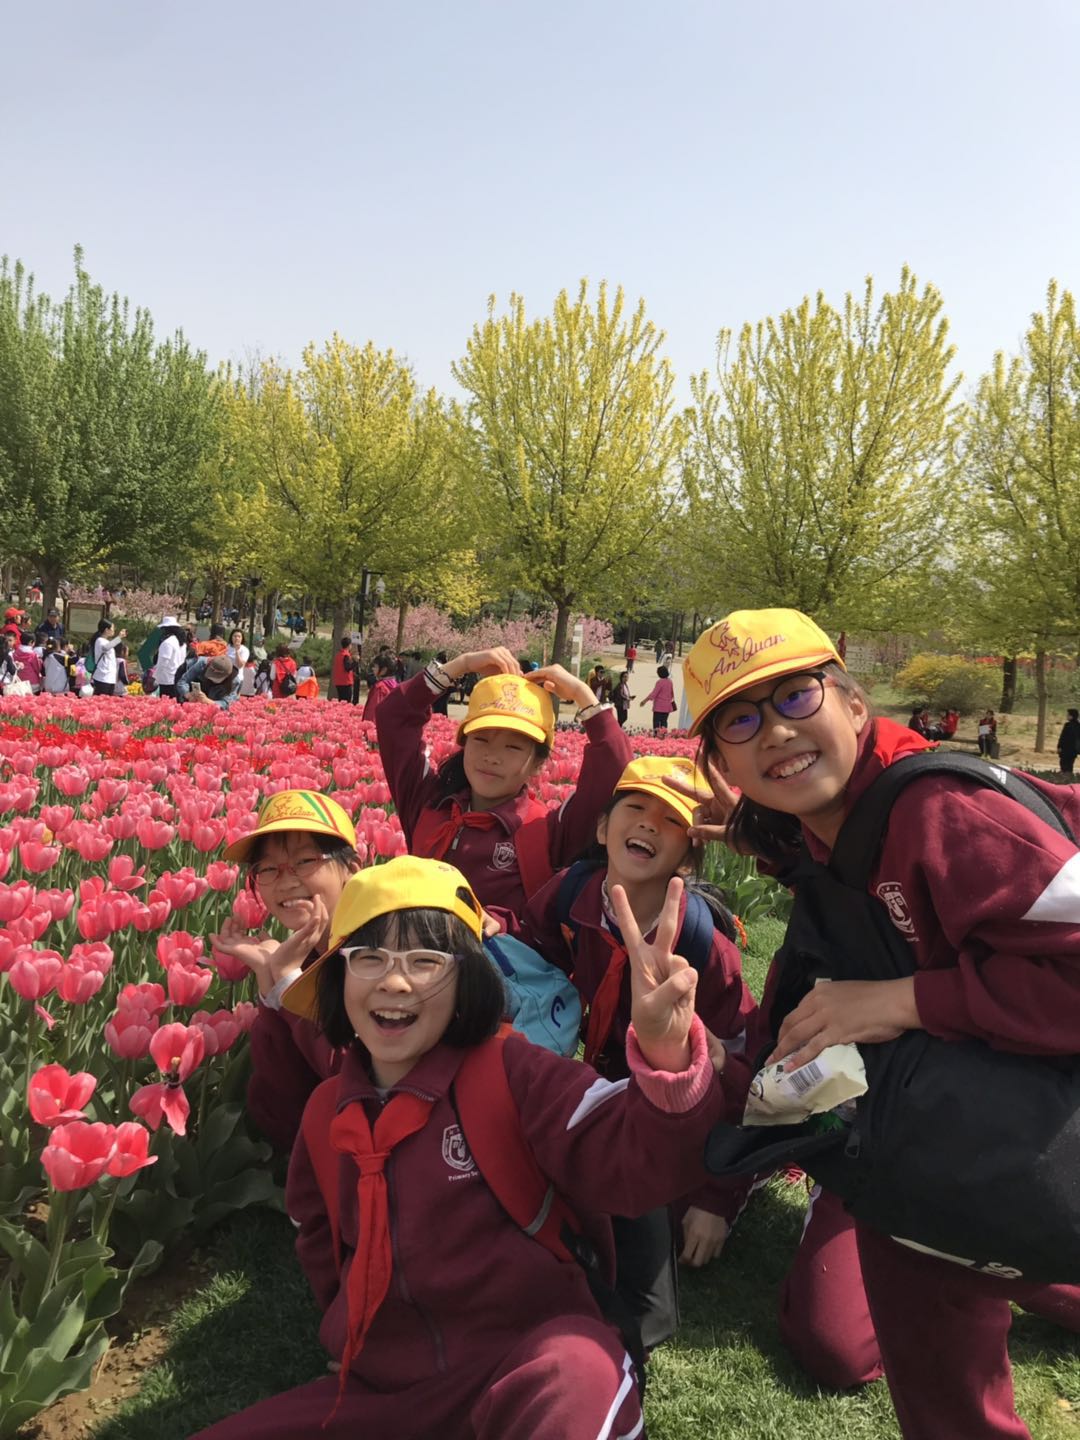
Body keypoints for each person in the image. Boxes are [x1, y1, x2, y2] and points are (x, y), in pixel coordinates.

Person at [682, 607, 1080, 1438]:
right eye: (739, 722)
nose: (775, 730)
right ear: (721, 764)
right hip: (924, 1119)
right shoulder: (818, 831)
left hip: (1005, 1118)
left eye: (796, 696)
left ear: (855, 703)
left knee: (941, 1363)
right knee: (924, 1350)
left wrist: (904, 1001)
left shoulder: (942, 811)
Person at [191, 856, 722, 1440]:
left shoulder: (514, 1076)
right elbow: (322, 1246)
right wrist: (351, 1335)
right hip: (389, 1389)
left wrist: (666, 1054)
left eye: (425, 961)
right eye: (369, 958)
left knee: (579, 1377)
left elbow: (635, 1158)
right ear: (338, 981)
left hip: (522, 1362)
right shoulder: (326, 1116)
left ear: (468, 981)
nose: (395, 982)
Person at [522, 756, 758, 1271]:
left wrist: (717, 1198)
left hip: (684, 1106)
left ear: (688, 858)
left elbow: (747, 1076)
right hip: (606, 1086)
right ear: (602, 828)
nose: (649, 824)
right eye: (635, 808)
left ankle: (741, 1178)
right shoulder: (571, 896)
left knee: (648, 1220)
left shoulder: (704, 950)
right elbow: (529, 958)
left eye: (671, 819)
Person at [375, 648, 632, 924]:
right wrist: (461, 664)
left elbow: (615, 773)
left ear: (538, 763)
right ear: (464, 744)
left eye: (512, 747)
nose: (492, 757)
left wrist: (583, 694)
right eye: (481, 739)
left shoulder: (548, 830)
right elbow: (394, 717)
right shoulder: (429, 803)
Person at [210, 791, 363, 1150]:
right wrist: (271, 986)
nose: (286, 881)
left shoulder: (379, 958)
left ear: (352, 869)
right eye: (267, 868)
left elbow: (362, 1084)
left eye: (305, 861)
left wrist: (289, 984)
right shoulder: (301, 958)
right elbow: (278, 1109)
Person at [90, 618, 126, 696]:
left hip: (110, 678)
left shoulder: (106, 641)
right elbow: (106, 647)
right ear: (106, 630)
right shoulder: (99, 640)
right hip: (102, 677)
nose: (114, 630)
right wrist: (119, 637)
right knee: (100, 700)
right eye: (112, 628)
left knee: (107, 701)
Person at [153, 616, 187, 699]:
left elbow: (163, 663)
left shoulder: (167, 643)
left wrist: (154, 676)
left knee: (165, 702)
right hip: (177, 677)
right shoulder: (181, 642)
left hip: (166, 679)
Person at [361, 654, 399, 722]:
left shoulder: (380, 687)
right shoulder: (396, 685)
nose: (373, 669)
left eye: (375, 666)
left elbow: (373, 711)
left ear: (384, 670)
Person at [640, 665, 676, 731]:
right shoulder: (670, 682)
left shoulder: (660, 682)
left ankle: (656, 735)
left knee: (656, 723)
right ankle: (663, 734)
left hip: (659, 707)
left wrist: (645, 701)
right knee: (664, 722)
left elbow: (654, 694)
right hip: (667, 706)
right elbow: (672, 694)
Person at [331, 636, 356, 702]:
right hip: (346, 682)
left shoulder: (338, 654)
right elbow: (347, 668)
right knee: (347, 701)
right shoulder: (345, 655)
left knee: (341, 701)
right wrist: (355, 662)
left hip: (338, 682)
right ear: (349, 645)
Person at [1057, 709, 1080, 775]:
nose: (1066, 716)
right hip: (1074, 750)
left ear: (1071, 716)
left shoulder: (1067, 725)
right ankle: (1069, 776)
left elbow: (1063, 738)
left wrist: (1059, 746)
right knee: (1070, 765)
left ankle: (1064, 776)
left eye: (1068, 715)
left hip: (1065, 749)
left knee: (1063, 765)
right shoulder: (1078, 726)